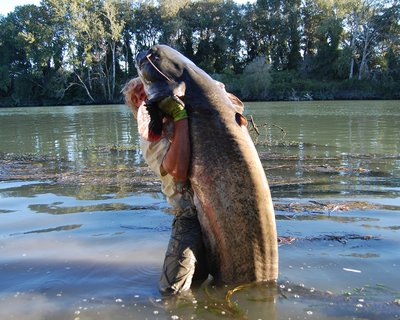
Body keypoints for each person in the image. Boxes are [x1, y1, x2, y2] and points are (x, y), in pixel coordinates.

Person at [122, 78, 208, 295]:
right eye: (136, 98)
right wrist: (179, 117)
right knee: (172, 291)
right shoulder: (148, 138)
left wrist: (181, 113)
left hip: (216, 205)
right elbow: (178, 169)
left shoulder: (187, 112)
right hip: (189, 214)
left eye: (144, 91)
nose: (142, 98)